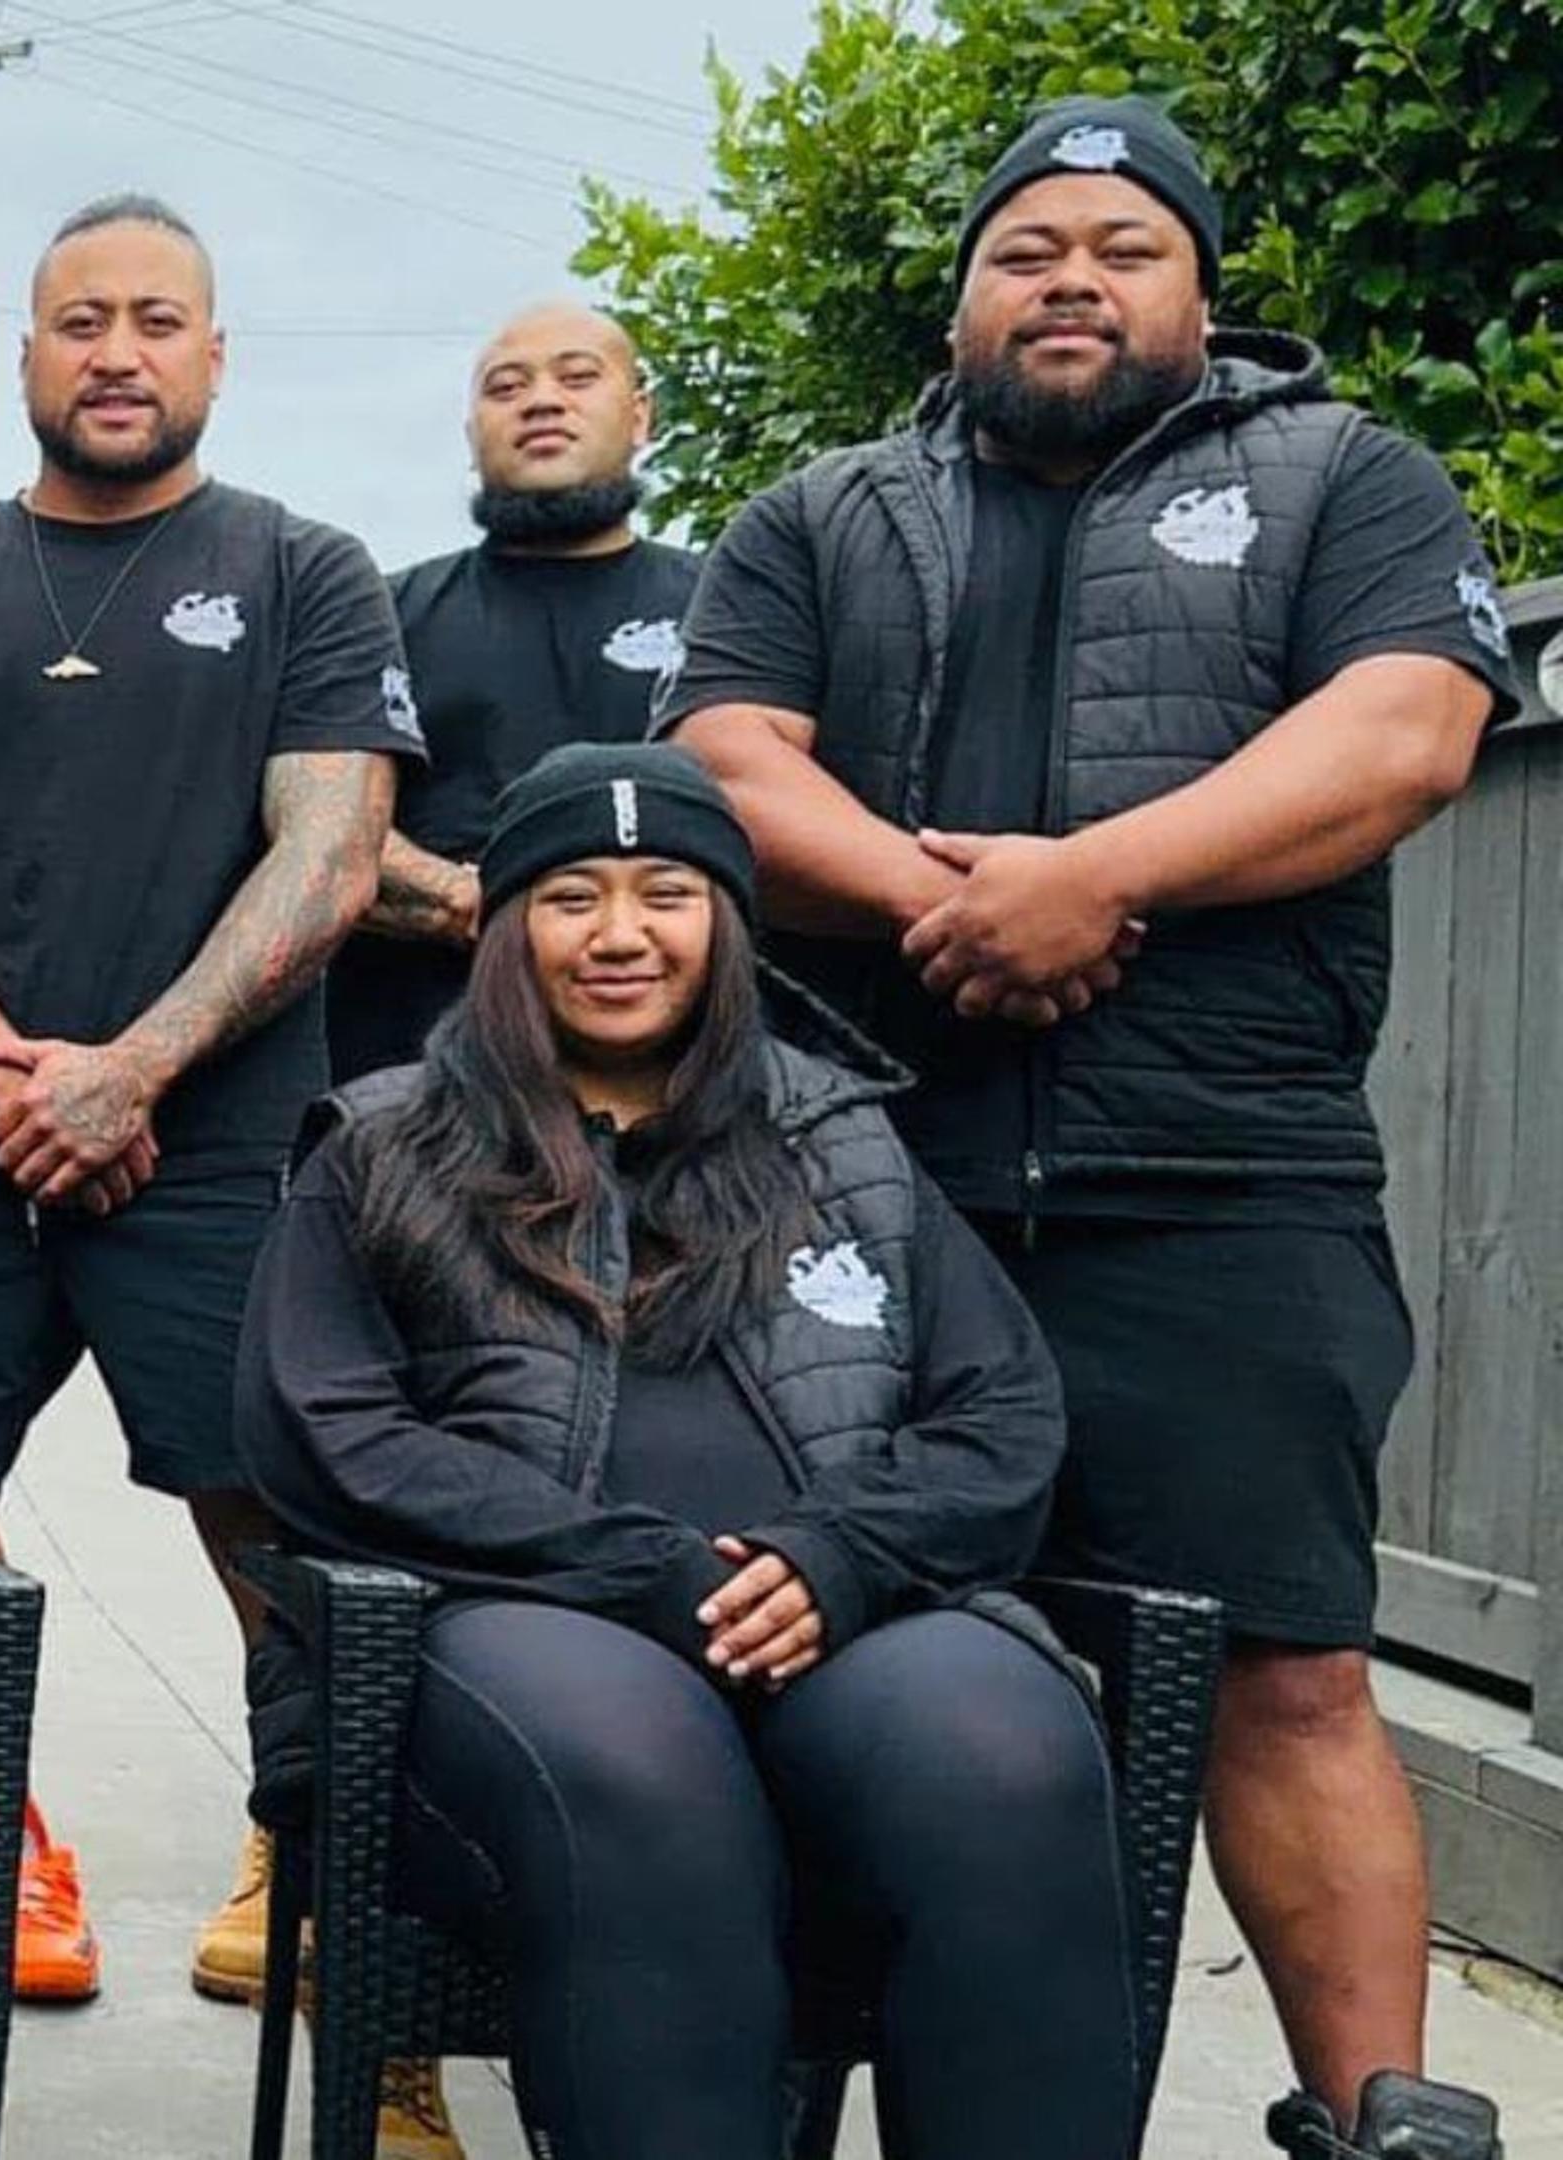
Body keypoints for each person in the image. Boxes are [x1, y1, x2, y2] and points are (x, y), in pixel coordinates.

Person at [660, 95, 1519, 2159]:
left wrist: (1098, 873)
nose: (1069, 276)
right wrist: (958, 898)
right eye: (1023, 247)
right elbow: (717, 764)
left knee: (1285, 1673)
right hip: (867, 1184)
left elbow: (1408, 732)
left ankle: (1370, 2120)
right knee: (808, 1644)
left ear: (1203, 293)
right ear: (960, 296)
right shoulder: (823, 513)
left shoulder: (1347, 482)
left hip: (1225, 1188)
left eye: (1121, 248)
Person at [239, 741, 1135, 2160]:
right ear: (506, 929)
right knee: (637, 1771)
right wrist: (630, 1568)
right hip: (516, 1624)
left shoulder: (841, 1137)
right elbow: (324, 1432)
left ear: (725, 923)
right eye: (569, 897)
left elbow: (1003, 1412)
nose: (619, 935)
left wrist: (843, 1555)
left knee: (1007, 1757)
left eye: (666, 892)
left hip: (843, 1611)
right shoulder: (385, 1142)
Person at [0, 191, 419, 2063]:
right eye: (81, 322)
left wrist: (134, 1069)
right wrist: (15, 1070)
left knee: (287, 1547)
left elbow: (333, 854)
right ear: (27, 360)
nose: (119, 352)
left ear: (215, 355)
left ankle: (358, 1993)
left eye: (159, 320)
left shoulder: (310, 570)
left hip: (225, 1149)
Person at [326, 301, 701, 1088]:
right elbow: (326, 835)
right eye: (506, 386)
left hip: (676, 1083)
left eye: (576, 378)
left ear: (640, 417)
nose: (541, 401)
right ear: (472, 435)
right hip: (421, 1074)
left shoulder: (723, 609)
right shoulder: (379, 614)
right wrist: (476, 898)